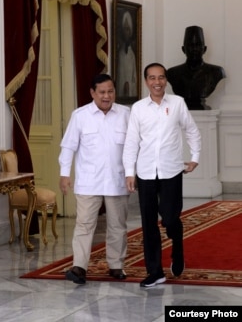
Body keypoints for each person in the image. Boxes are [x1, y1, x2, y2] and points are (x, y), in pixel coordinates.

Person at [123, 63, 201, 288]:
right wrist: (130, 172)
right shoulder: (138, 108)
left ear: (166, 80)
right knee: (149, 224)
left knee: (169, 218)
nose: (157, 82)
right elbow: (131, 142)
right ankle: (155, 272)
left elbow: (191, 130)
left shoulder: (177, 103)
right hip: (146, 172)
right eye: (152, 78)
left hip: (171, 170)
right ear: (146, 81)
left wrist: (195, 156)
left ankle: (177, 245)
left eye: (161, 77)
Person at [59, 73, 130, 285]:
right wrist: (64, 174)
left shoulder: (126, 114)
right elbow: (68, 146)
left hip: (117, 180)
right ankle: (79, 266)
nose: (107, 96)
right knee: (84, 224)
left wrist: (132, 174)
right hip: (88, 181)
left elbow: (134, 146)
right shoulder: (80, 115)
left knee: (118, 225)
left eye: (110, 91)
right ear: (92, 93)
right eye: (102, 92)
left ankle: (116, 265)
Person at [167, 26, 226, 110]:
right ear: (183, 49)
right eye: (190, 45)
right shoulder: (172, 73)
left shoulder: (217, 72)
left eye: (198, 45)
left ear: (204, 49)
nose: (194, 49)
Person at [116, 11, 137, 97]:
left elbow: (134, 77)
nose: (126, 32)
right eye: (124, 29)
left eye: (128, 29)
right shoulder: (119, 52)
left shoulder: (132, 54)